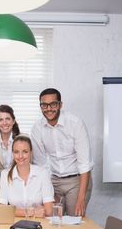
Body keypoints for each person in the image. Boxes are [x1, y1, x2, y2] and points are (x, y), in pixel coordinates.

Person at [30, 88, 93, 217]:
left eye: (53, 104)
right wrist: (49, 191)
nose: (49, 108)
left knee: (73, 223)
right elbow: (40, 164)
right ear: (40, 106)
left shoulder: (75, 123)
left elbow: (84, 164)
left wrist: (81, 199)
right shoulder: (37, 128)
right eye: (44, 105)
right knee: (51, 220)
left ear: (60, 105)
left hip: (76, 180)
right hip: (53, 180)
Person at [0, 135, 54, 217]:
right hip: (14, 224)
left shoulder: (43, 173)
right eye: (16, 152)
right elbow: (2, 209)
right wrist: (32, 212)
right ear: (13, 154)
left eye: (25, 152)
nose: (20, 156)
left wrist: (14, 211)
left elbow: (49, 210)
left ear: (31, 153)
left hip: (38, 223)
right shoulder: (5, 175)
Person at [0, 105, 20, 172]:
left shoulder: (23, 139)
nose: (4, 123)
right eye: (1, 120)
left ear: (13, 121)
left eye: (7, 119)